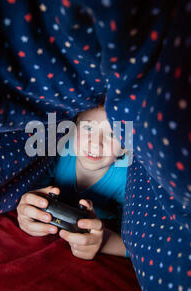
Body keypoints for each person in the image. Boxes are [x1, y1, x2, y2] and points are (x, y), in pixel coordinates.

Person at [17, 104, 130, 260]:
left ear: (125, 147)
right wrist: (27, 210)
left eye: (112, 134)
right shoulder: (59, 150)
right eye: (88, 128)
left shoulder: (126, 179)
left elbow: (134, 245)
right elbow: (34, 191)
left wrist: (102, 242)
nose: (96, 143)